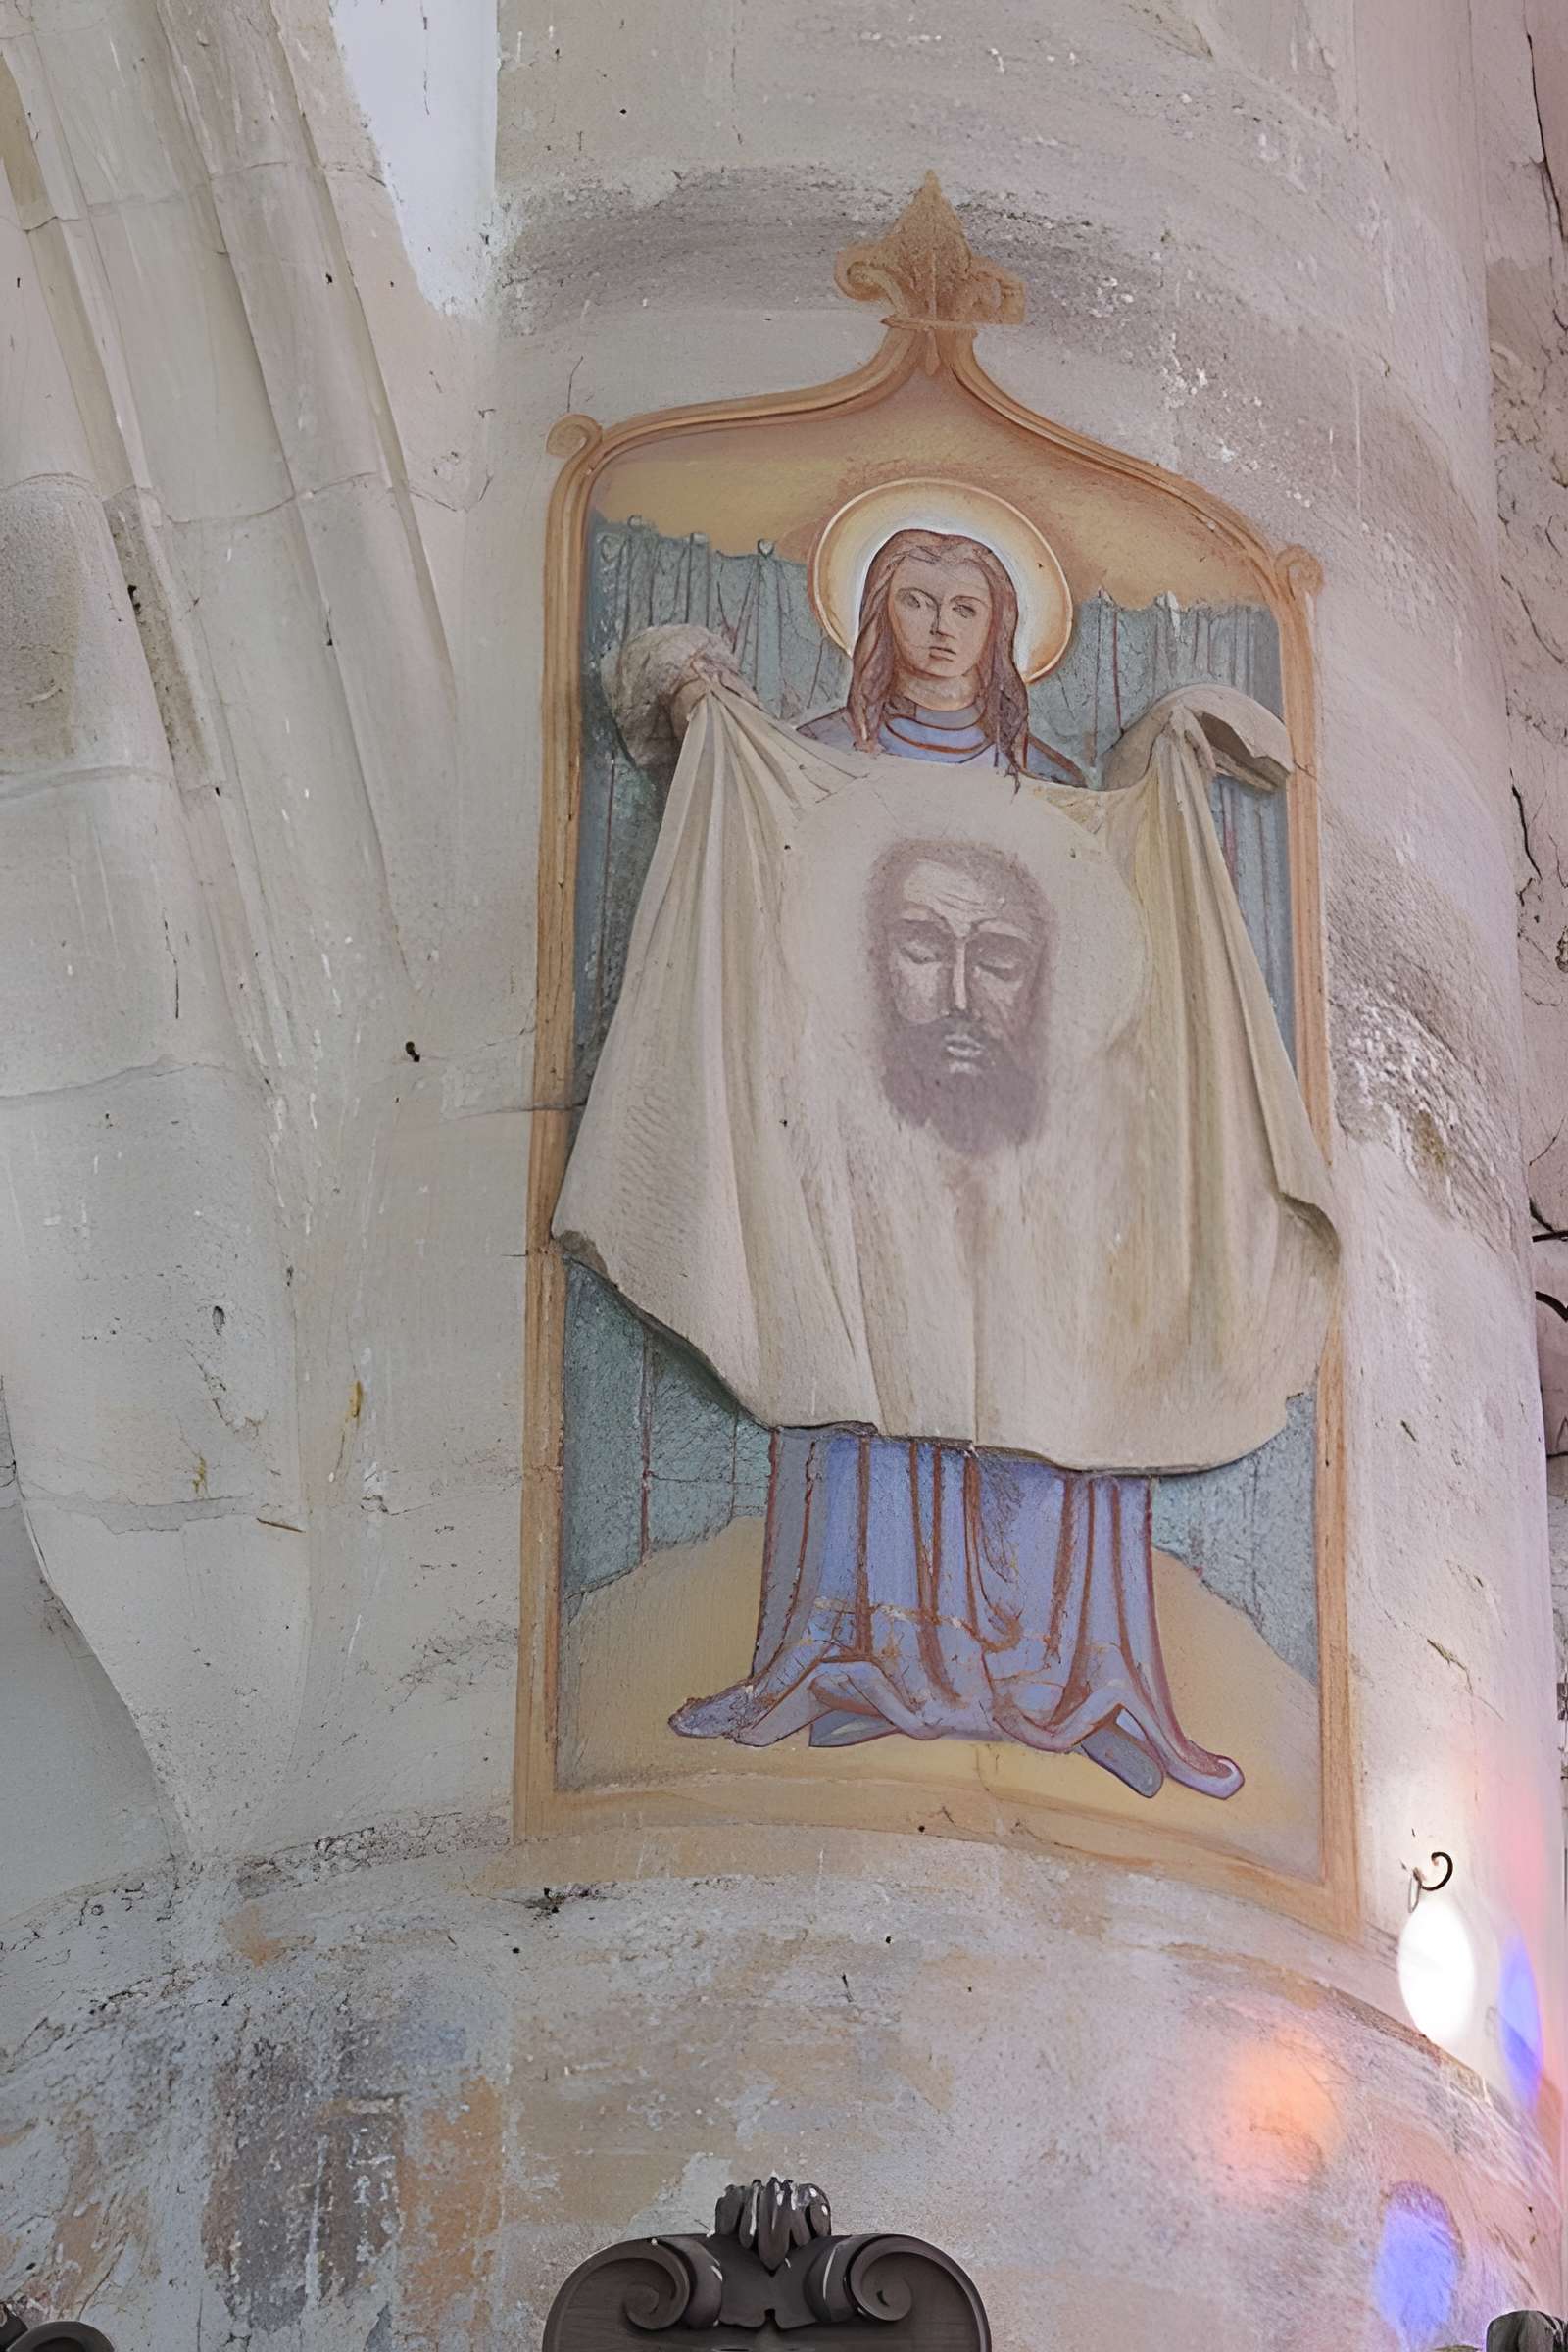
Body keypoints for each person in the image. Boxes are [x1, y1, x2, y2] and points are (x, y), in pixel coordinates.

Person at [564, 500, 1337, 1801]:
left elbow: (1113, 911)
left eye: (963, 607)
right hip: (872, 1149)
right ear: (875, 618)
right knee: (853, 1345)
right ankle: (852, 1646)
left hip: (1028, 1163)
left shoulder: (1051, 787)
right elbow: (764, 885)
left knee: (1073, 1356)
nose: (937, 630)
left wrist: (1163, 756)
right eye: (914, 602)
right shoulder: (814, 760)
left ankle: (1080, 1668)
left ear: (1001, 630)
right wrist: (698, 704)